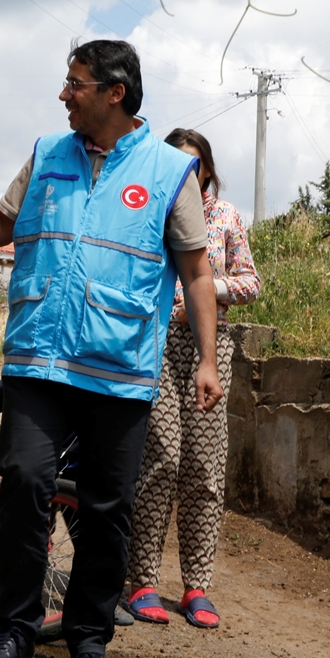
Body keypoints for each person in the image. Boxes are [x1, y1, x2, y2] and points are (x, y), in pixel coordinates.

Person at [0, 39, 222, 658]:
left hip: (121, 370)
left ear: (115, 93)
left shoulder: (169, 172)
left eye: (74, 83)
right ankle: (16, 631)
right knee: (24, 478)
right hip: (39, 358)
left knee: (108, 508)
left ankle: (87, 636)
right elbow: (2, 227)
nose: (62, 94)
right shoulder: (47, 153)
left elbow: (196, 272)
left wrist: (208, 360)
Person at [123, 129, 261, 629]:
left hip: (211, 349)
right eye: (176, 163)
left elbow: (251, 280)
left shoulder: (225, 218)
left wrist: (206, 295)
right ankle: (140, 581)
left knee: (204, 467)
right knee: (160, 458)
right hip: (154, 346)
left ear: (207, 169)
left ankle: (196, 586)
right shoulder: (149, 215)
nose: (187, 171)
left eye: (195, 163)